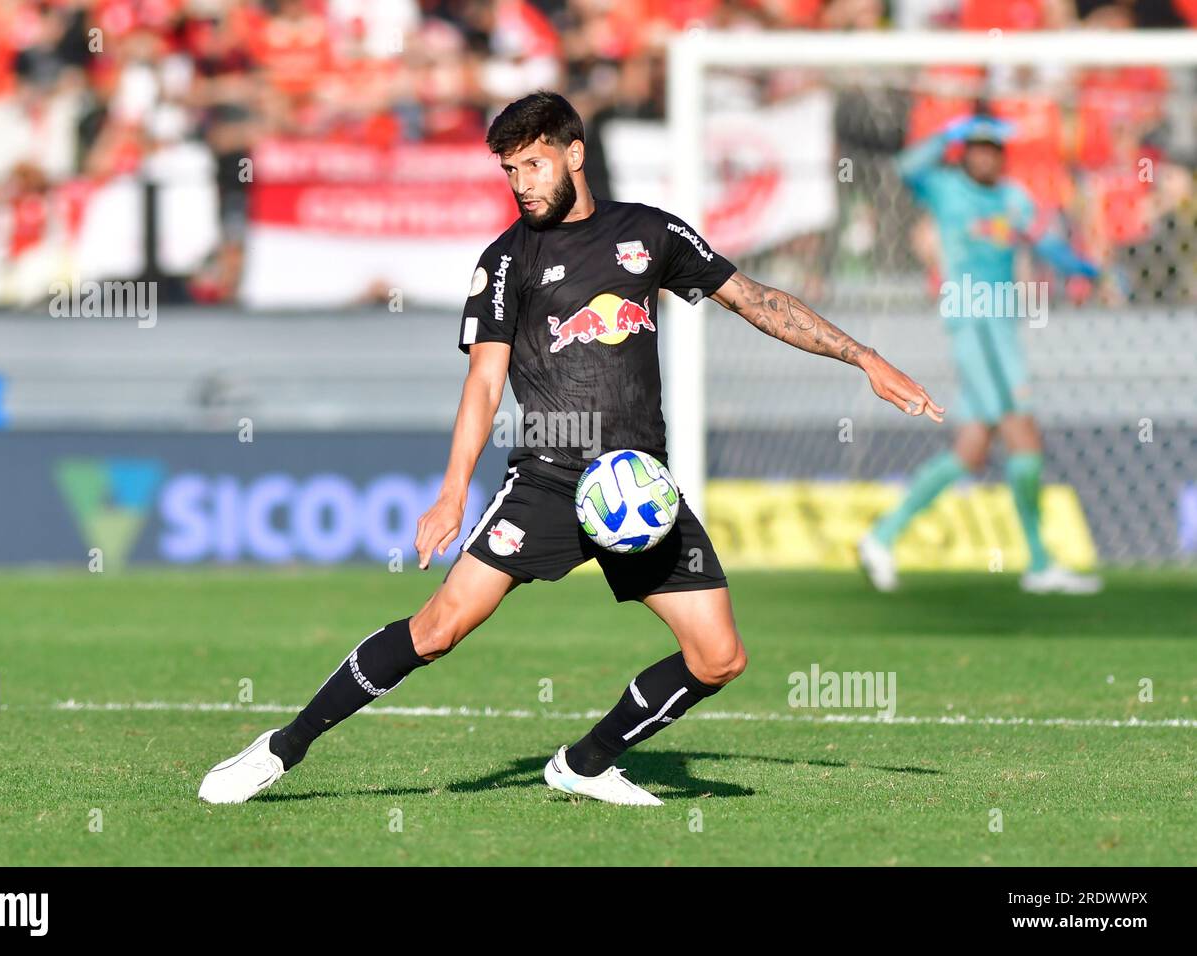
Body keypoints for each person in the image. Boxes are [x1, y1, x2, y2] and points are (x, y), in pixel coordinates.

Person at [199, 92, 942, 807]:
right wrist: (454, 491)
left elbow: (756, 301)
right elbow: (485, 383)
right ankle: (281, 748)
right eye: (510, 171)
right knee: (437, 629)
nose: (522, 185)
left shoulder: (651, 233)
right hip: (550, 483)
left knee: (719, 658)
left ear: (574, 154)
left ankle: (583, 764)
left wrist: (864, 357)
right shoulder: (505, 261)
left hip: (637, 489)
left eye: (534, 165)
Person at [858, 115, 1106, 595]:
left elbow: (1046, 241)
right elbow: (907, 166)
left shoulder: (1013, 198)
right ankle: (1038, 563)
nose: (986, 155)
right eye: (976, 146)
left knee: (971, 451)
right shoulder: (946, 188)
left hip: (1002, 324)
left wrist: (1081, 267)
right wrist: (944, 135)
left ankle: (882, 536)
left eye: (993, 148)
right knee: (1023, 431)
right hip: (973, 325)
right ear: (964, 151)